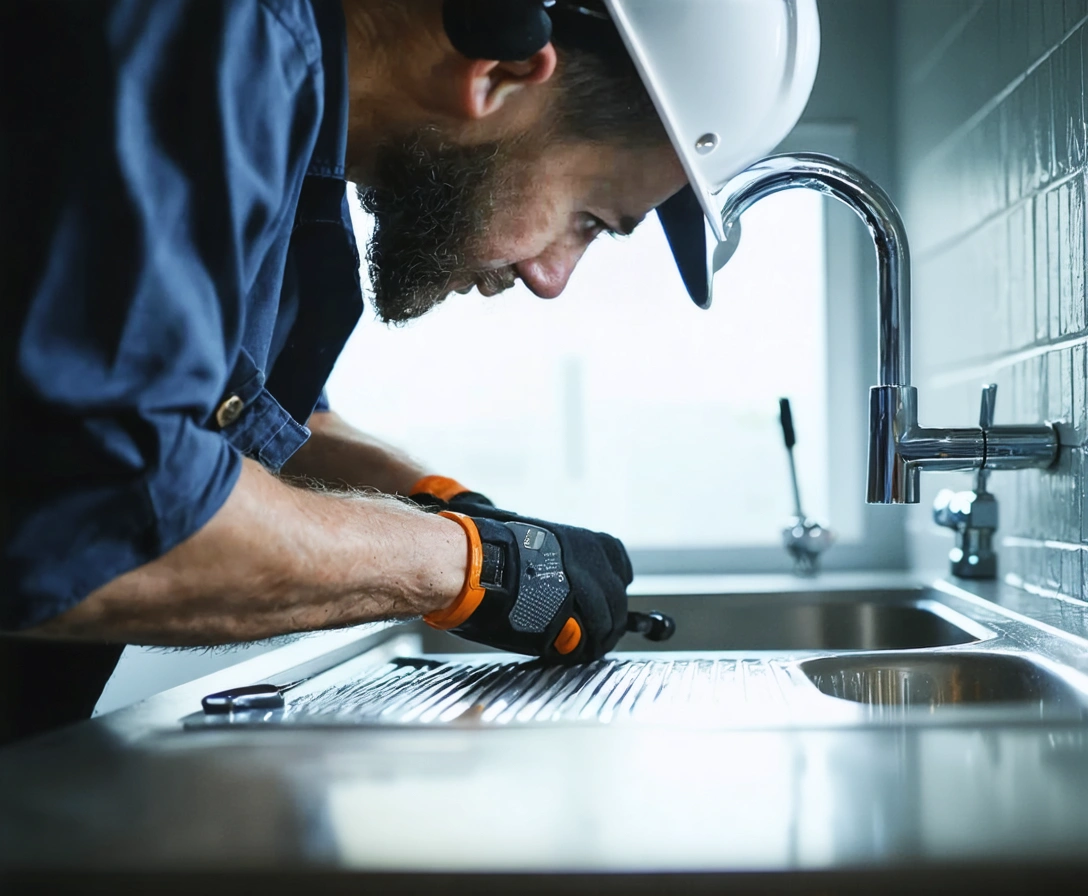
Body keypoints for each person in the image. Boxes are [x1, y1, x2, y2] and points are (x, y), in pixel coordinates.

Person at [1, 0, 819, 742]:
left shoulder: (295, 136)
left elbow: (264, 420)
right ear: (499, 73)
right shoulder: (214, 39)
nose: (552, 277)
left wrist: (456, 507)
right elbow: (105, 512)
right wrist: (472, 567)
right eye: (591, 220)